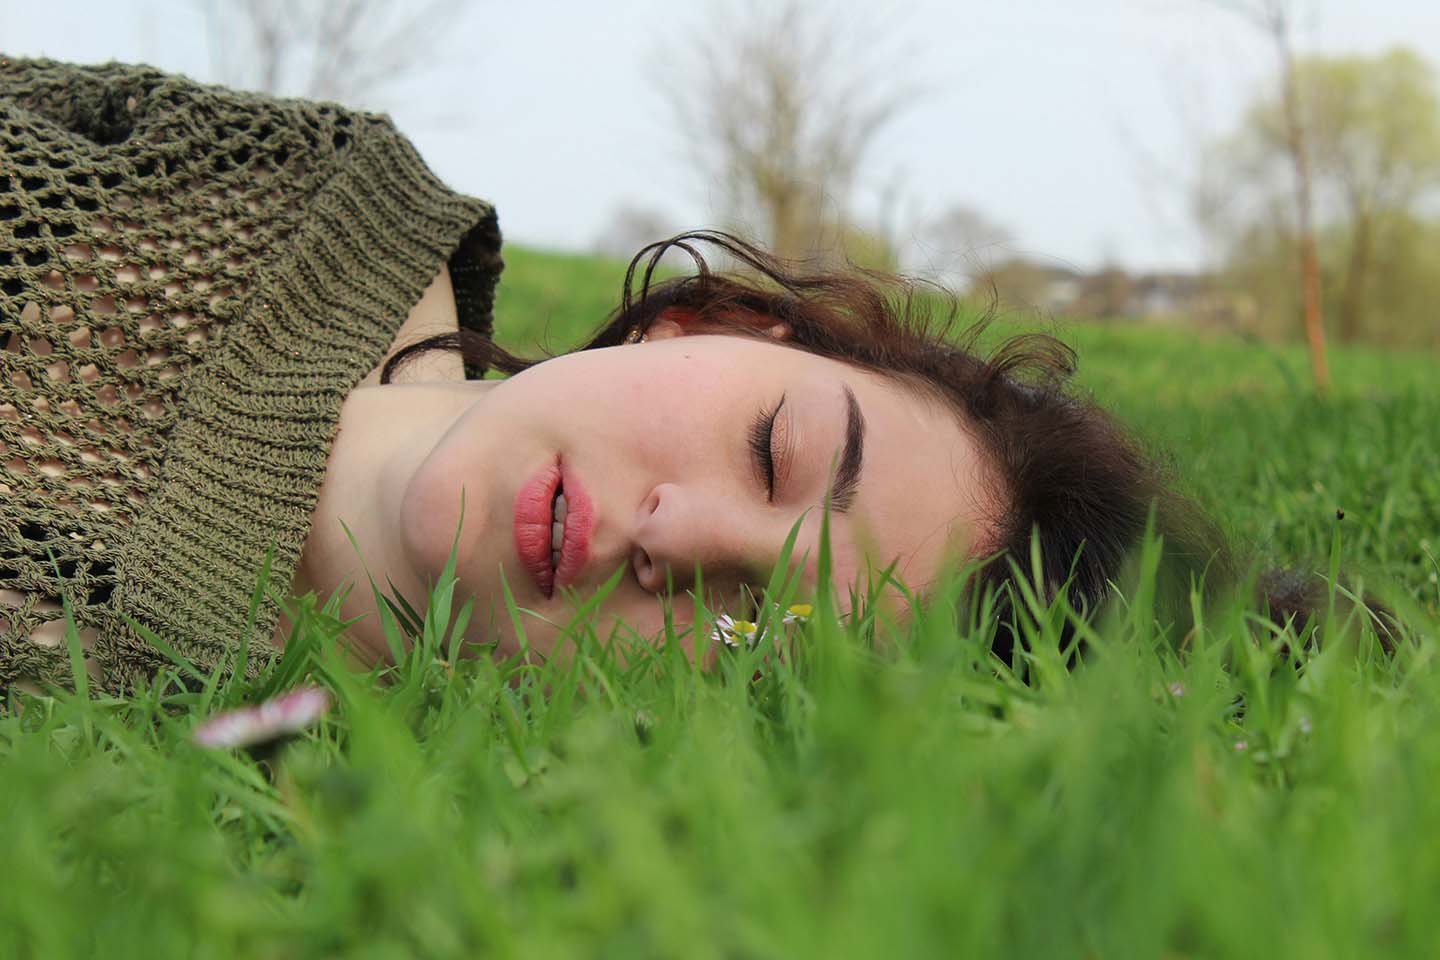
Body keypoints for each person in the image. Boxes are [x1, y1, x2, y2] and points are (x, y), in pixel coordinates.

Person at [0, 57, 1223, 698]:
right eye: (772, 455)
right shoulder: (312, 200)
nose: (677, 538)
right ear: (704, 326)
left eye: (755, 627)